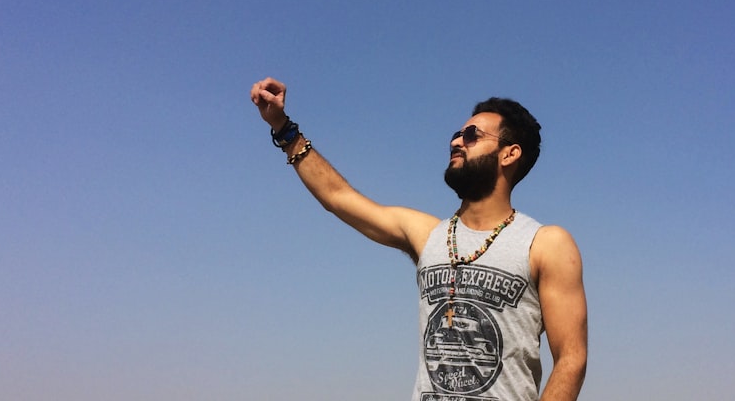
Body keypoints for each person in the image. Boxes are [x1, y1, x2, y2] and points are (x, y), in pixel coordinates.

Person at [251, 77, 587, 401]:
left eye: (472, 135)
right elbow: (337, 197)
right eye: (457, 134)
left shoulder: (546, 243)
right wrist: (283, 128)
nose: (456, 141)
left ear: (509, 154)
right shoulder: (427, 234)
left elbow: (571, 359)